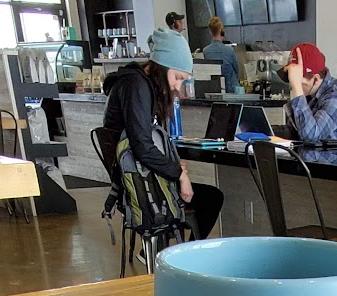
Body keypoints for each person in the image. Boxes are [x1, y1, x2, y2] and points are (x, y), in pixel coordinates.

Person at [102, 29, 223, 239]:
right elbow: (142, 146)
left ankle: (173, 252)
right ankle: (184, 254)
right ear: (162, 66)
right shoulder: (136, 86)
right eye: (178, 77)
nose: (177, 86)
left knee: (208, 196)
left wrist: (172, 166)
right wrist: (179, 174)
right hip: (141, 188)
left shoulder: (138, 83)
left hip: (139, 180)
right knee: (212, 198)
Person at [281, 43, 337, 166]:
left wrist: (297, 89)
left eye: (296, 79)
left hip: (335, 173)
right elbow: (294, 133)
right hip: (310, 165)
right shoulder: (309, 94)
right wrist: (264, 134)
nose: (291, 84)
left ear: (316, 79)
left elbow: (310, 136)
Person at [201, 17, 240, 93]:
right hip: (231, 90)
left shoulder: (206, 51)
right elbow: (236, 70)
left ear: (210, 32)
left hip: (216, 89)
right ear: (221, 31)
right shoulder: (229, 50)